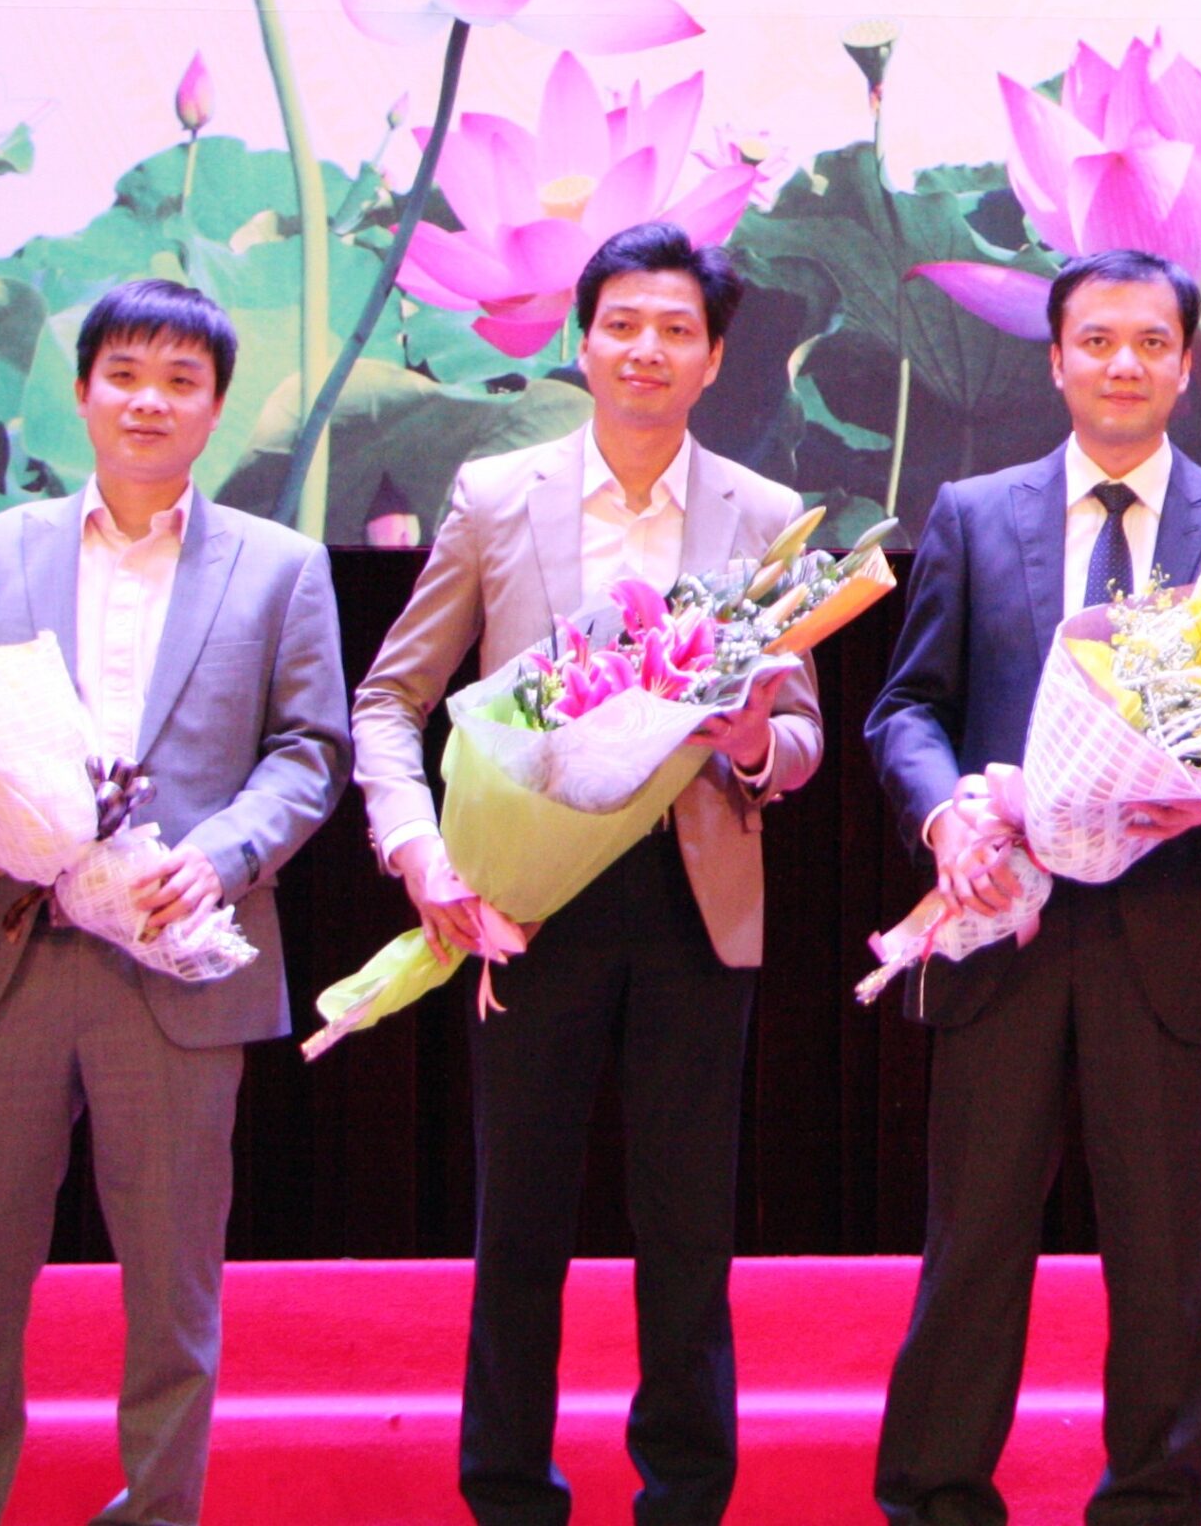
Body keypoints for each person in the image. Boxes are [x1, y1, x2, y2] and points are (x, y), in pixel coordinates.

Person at [352, 221, 823, 1526]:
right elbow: (388, 702)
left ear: (714, 357)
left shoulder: (763, 516)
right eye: (622, 323)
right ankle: (508, 1493)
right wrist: (419, 850)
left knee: (689, 1232)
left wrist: (752, 742)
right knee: (518, 1229)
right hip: (528, 901)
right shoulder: (495, 495)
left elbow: (803, 737)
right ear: (582, 340)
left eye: (676, 328)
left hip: (692, 906)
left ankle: (685, 1496)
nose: (646, 349)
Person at [0, 279, 348, 1526]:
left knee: (173, 1301)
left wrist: (224, 855)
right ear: (83, 391)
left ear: (214, 407)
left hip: (173, 960)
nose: (149, 400)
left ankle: (157, 1510)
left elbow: (311, 749)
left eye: (180, 380)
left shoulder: (281, 567)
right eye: (125, 374)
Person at [867, 247, 1201, 1526]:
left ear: (1186, 363)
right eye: (1098, 340)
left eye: (1151, 342)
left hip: (1169, 931)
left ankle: (1154, 1500)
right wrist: (946, 809)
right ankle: (934, 1497)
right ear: (1055, 359)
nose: (1124, 363)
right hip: (1001, 924)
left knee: (1163, 1253)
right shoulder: (971, 512)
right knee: (975, 1241)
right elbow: (908, 708)